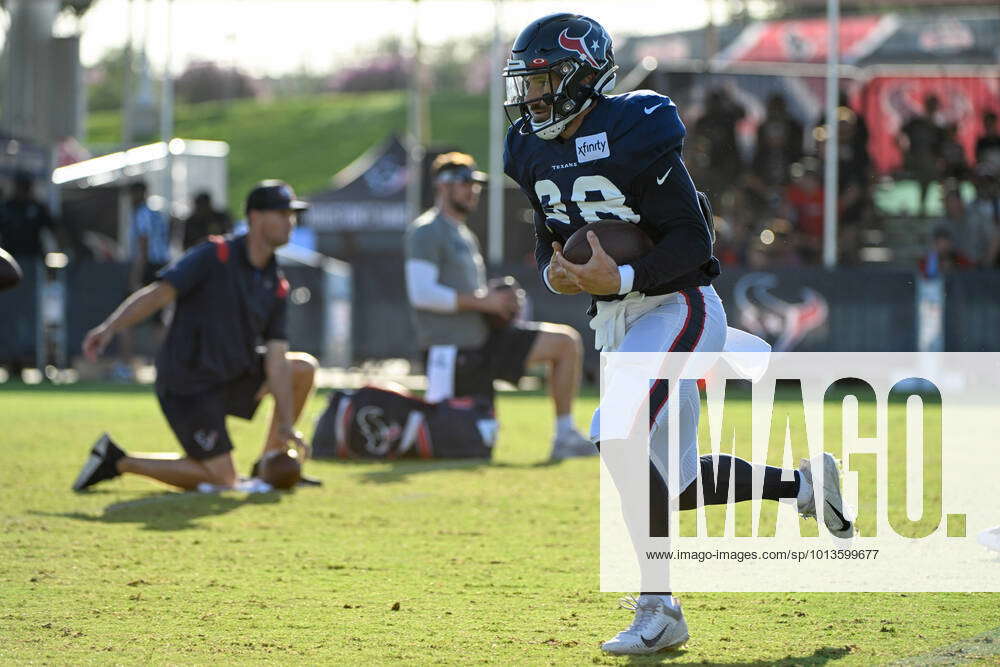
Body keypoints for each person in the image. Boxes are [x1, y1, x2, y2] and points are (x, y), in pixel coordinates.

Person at [502, 13, 854, 656]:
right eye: (526, 84)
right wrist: (564, 275)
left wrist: (625, 273)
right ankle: (803, 485)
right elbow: (550, 255)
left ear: (583, 78)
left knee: (615, 429)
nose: (531, 97)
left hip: (677, 306)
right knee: (679, 483)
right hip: (620, 322)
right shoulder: (529, 148)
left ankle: (658, 605)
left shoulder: (633, 129)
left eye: (545, 80)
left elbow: (695, 242)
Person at [73, 180, 319, 492]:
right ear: (255, 217)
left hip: (231, 375)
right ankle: (116, 460)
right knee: (224, 480)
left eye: (292, 215)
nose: (290, 222)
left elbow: (275, 359)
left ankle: (270, 464)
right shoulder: (215, 255)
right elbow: (158, 294)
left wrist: (286, 426)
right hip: (189, 384)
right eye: (282, 213)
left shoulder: (276, 283)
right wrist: (109, 328)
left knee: (302, 368)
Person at [404, 151, 595, 460]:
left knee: (565, 344)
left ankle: (564, 435)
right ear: (441, 186)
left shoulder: (463, 234)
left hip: (482, 341)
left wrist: (499, 301)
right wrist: (485, 300)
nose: (472, 190)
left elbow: (469, 294)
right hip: (452, 351)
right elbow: (422, 294)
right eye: (464, 183)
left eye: (475, 184)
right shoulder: (426, 230)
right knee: (467, 446)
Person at [0, 170, 57, 265]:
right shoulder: (6, 207)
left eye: (26, 187)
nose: (23, 190)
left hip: (32, 256)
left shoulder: (37, 207)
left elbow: (53, 227)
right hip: (10, 256)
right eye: (21, 186)